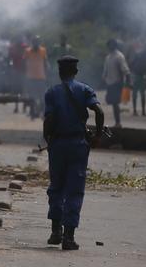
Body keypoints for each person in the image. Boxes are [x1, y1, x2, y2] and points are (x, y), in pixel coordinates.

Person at [44, 56, 104, 250]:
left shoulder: (52, 92)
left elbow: (49, 119)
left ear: (60, 72)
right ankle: (69, 237)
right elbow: (99, 112)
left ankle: (55, 232)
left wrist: (48, 138)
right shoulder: (85, 89)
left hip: (58, 145)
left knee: (56, 187)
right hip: (78, 144)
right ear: (76, 72)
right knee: (74, 190)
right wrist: (97, 136)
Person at [102, 39, 130, 127]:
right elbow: (105, 71)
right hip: (110, 83)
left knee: (115, 103)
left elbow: (125, 70)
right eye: (109, 45)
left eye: (112, 45)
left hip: (117, 82)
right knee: (111, 101)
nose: (110, 47)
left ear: (115, 45)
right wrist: (103, 80)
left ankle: (118, 122)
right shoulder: (108, 57)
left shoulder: (119, 56)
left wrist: (128, 82)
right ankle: (117, 122)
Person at [23, 35, 49, 119]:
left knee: (42, 96)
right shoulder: (27, 51)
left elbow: (45, 63)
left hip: (41, 77)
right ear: (32, 43)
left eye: (37, 42)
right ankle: (32, 112)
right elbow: (24, 63)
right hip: (31, 77)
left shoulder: (43, 50)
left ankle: (42, 112)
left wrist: (46, 74)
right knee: (31, 96)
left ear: (39, 42)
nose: (35, 43)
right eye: (34, 42)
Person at [128, 39, 146, 117]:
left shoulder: (140, 54)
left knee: (138, 94)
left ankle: (138, 111)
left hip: (139, 76)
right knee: (138, 94)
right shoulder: (144, 54)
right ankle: (138, 111)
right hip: (138, 76)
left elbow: (132, 63)